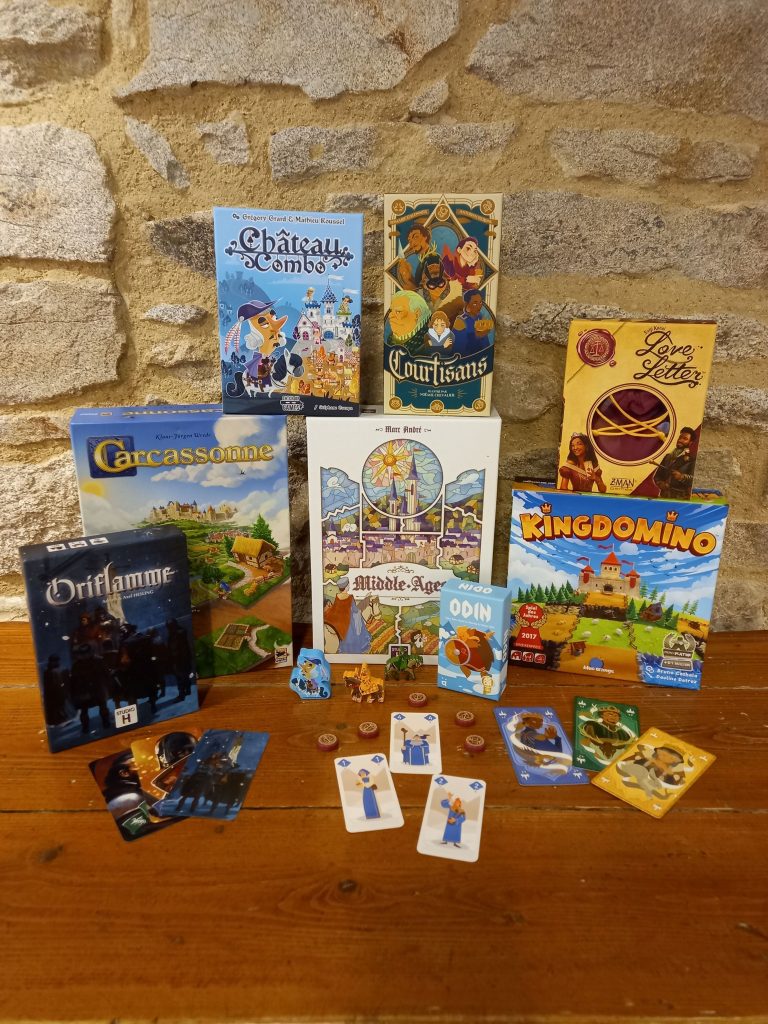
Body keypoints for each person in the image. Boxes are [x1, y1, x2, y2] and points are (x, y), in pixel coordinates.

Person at [323, 577, 371, 654]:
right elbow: (355, 610)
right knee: (357, 623)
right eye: (348, 585)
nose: (349, 586)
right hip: (348, 620)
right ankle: (358, 647)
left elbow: (336, 608)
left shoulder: (337, 596)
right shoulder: (350, 597)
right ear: (346, 586)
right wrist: (359, 610)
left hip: (340, 619)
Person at [653, 427, 696, 499]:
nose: (680, 440)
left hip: (681, 497)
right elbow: (657, 476)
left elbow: (694, 480)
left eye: (685, 439)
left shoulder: (692, 459)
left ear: (690, 442)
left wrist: (681, 477)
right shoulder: (667, 457)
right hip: (664, 496)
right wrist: (660, 483)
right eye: (680, 437)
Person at [386, 290, 432, 354]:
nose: (390, 316)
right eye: (391, 311)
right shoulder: (390, 339)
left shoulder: (427, 344)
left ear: (417, 314)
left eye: (398, 311)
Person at [451, 290, 493, 357]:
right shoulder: (461, 321)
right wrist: (477, 335)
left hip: (482, 358)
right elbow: (458, 347)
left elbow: (486, 343)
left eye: (480, 302)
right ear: (467, 304)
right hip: (466, 358)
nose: (479, 306)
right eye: (475, 303)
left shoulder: (481, 317)